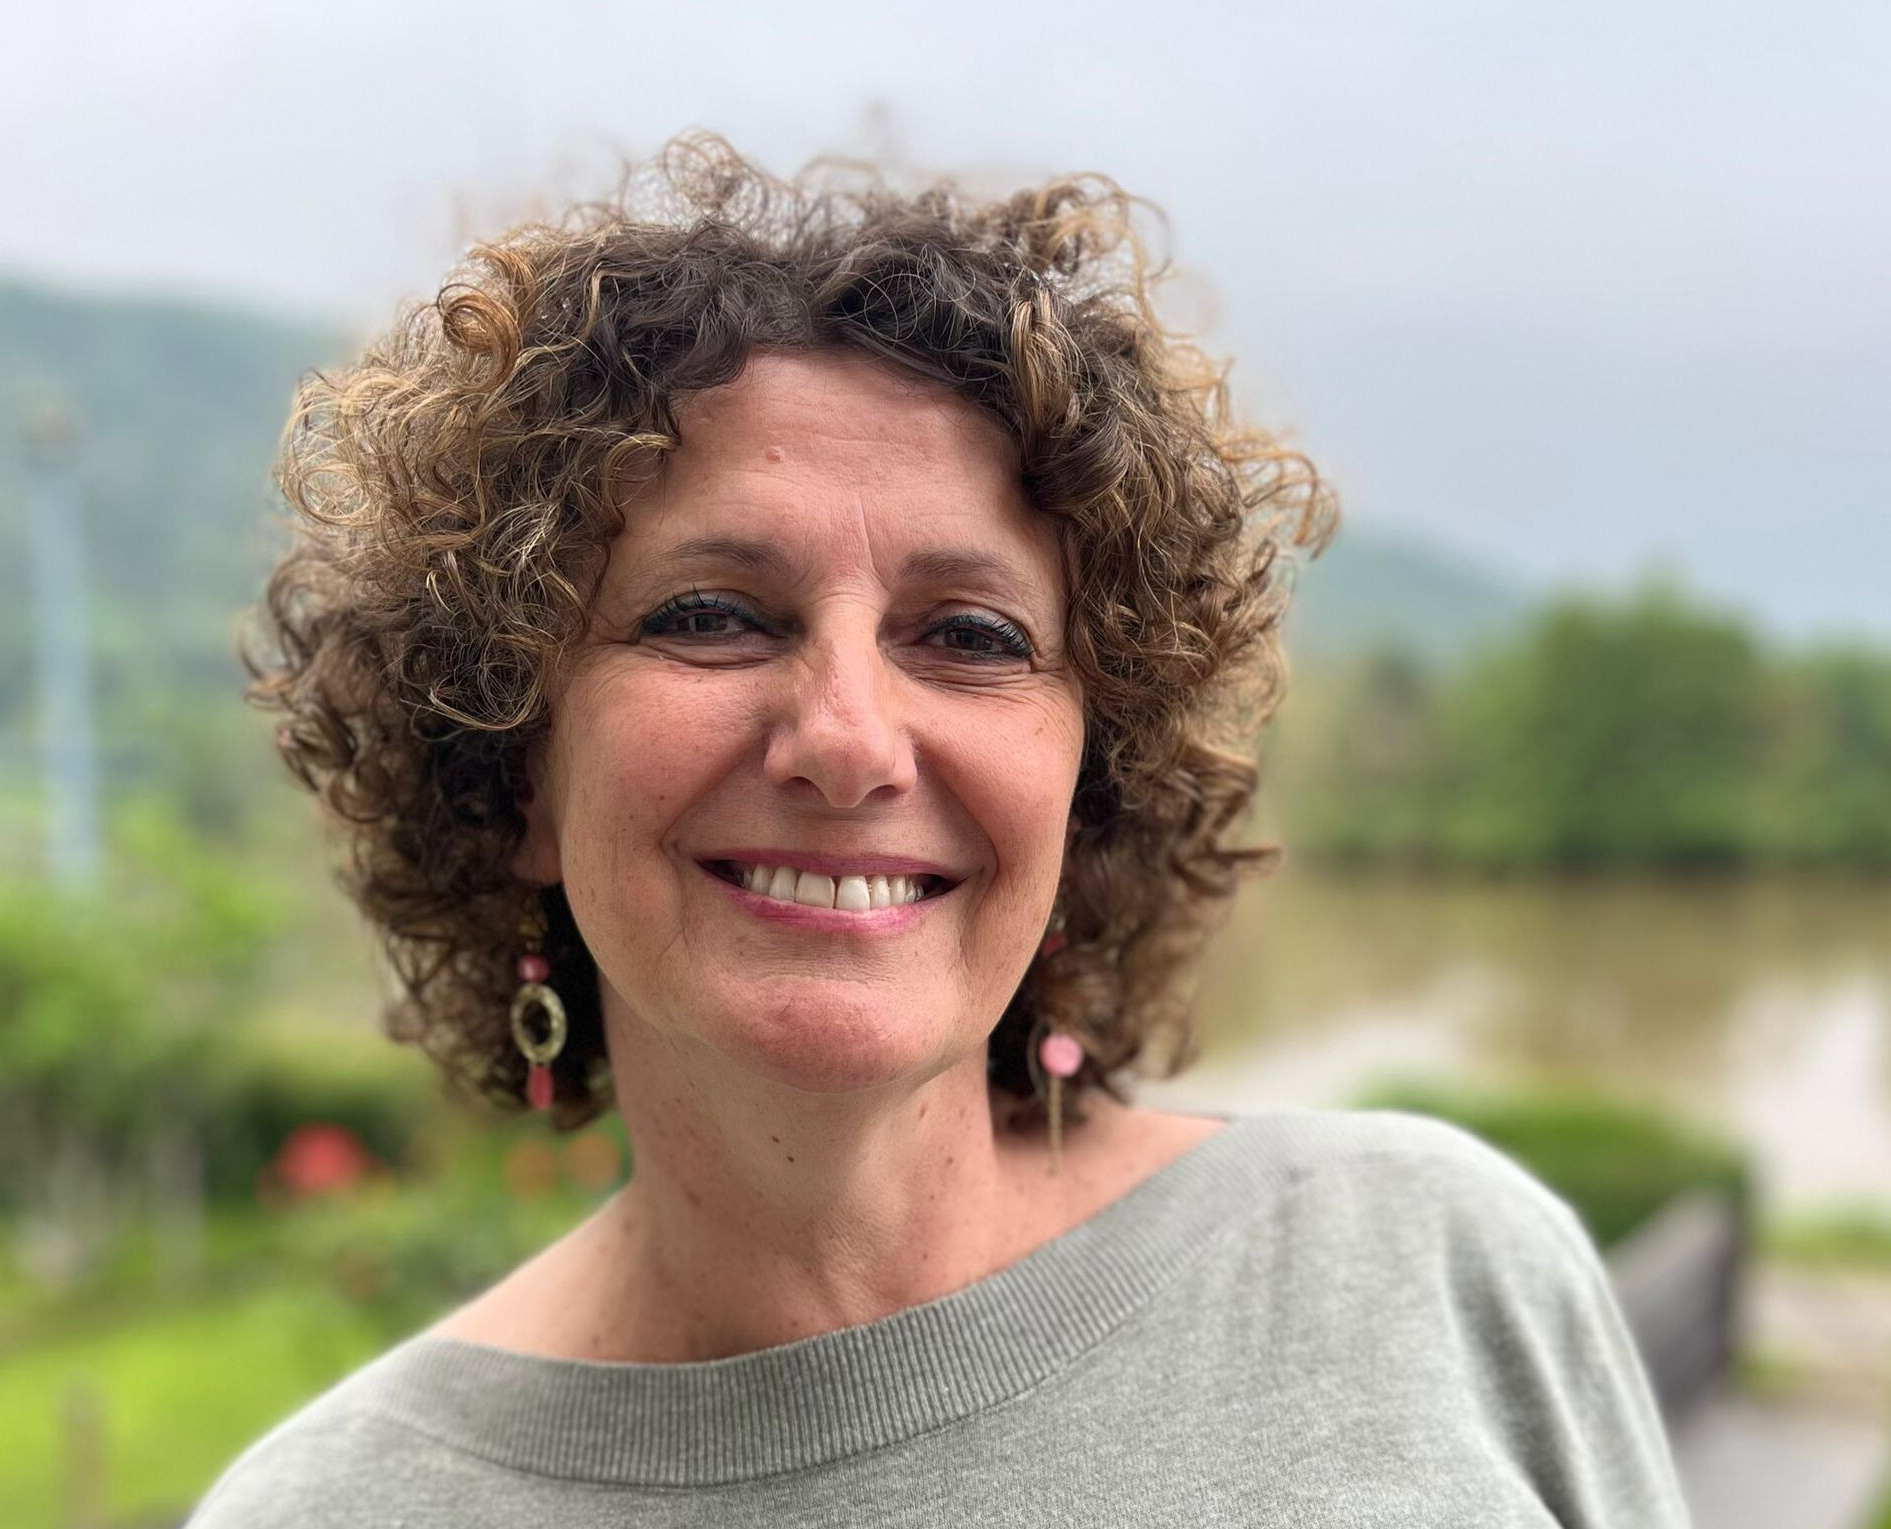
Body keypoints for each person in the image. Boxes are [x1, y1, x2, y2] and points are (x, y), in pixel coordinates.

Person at [191, 136, 1687, 1526]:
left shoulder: (1433, 1269)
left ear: (1085, 789)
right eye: (710, 615)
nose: (848, 740)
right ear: (517, 772)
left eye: (970, 634)